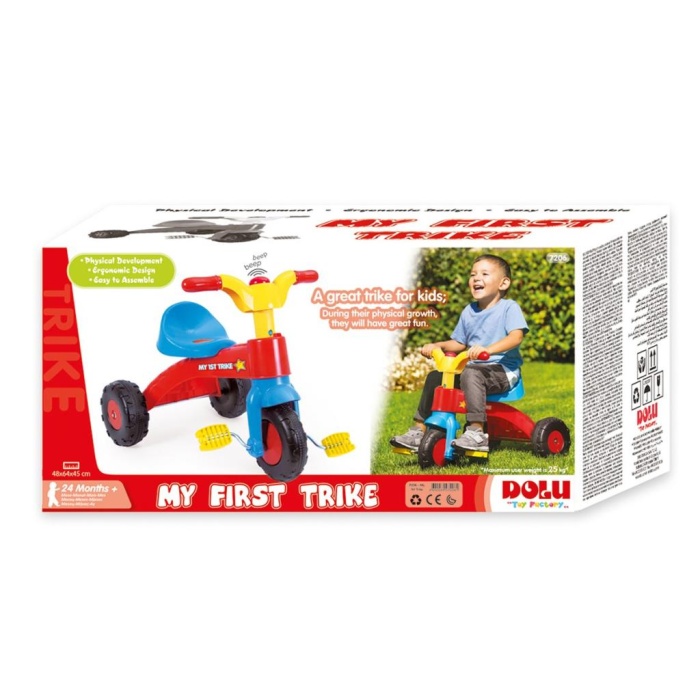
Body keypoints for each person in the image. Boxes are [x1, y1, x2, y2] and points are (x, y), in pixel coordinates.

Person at [390, 254, 528, 452]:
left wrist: (488, 350)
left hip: (503, 371)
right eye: (473, 274)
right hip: (473, 372)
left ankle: (476, 432)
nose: (476, 278)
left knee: (471, 373)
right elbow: (459, 343)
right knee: (436, 377)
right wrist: (437, 346)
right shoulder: (469, 311)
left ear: (503, 283)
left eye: (484, 274)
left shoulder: (509, 308)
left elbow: (516, 337)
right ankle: (418, 430)